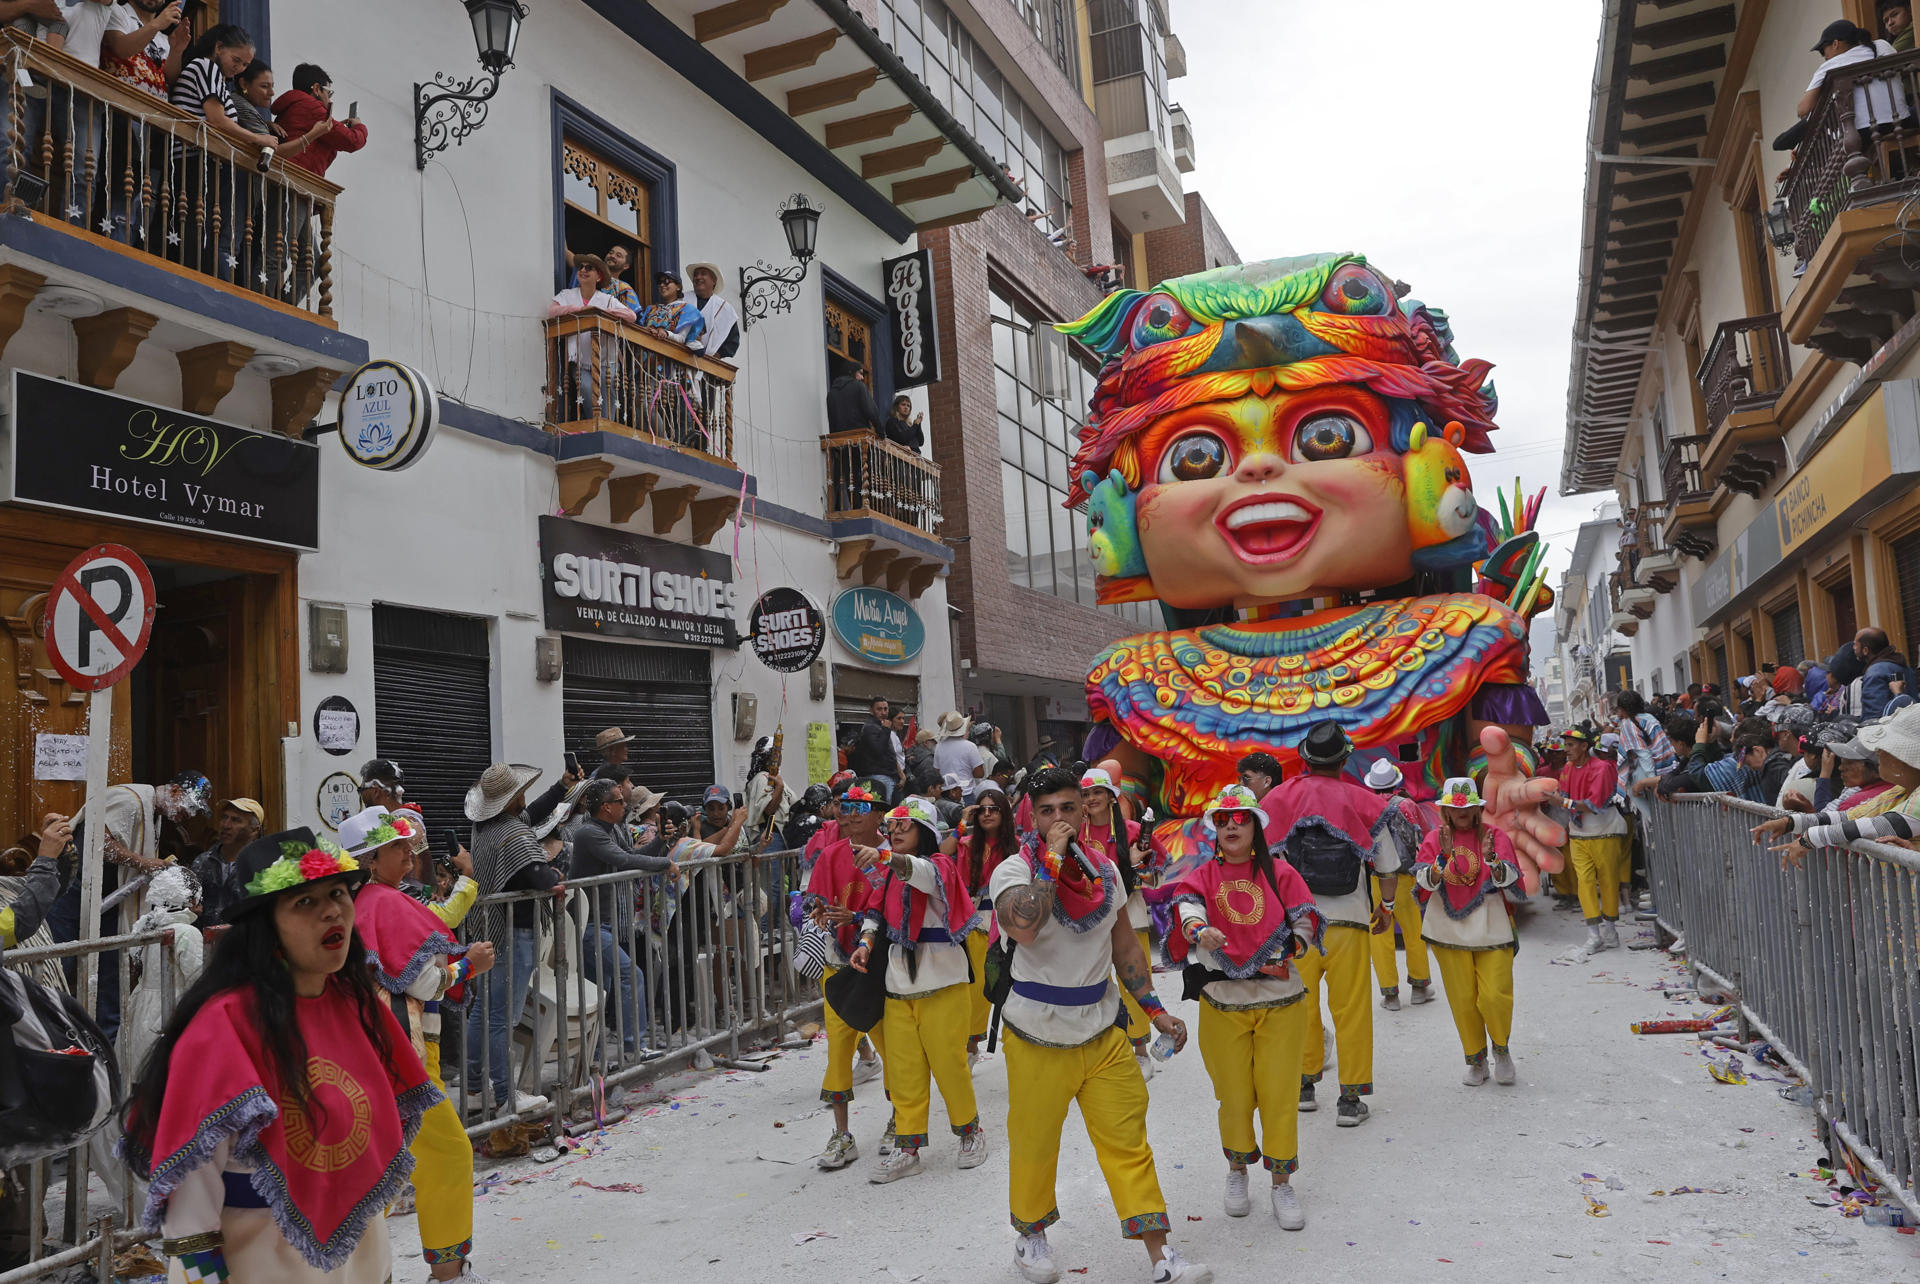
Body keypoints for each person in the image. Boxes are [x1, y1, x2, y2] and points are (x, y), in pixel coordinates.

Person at [122, 826, 436, 1283]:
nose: (332, 911)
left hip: (360, 1254)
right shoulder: (222, 1026)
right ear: (266, 925)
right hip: (260, 1260)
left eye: (337, 893)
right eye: (304, 902)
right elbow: (193, 1191)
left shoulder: (358, 1005)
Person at [989, 768, 1209, 1284]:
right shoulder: (1013, 871)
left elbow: (1125, 944)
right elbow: (1024, 924)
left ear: (1086, 810)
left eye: (1069, 807)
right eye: (1047, 811)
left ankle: (1161, 1258)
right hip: (1036, 1032)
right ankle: (1032, 1237)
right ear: (1033, 817)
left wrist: (1155, 1010)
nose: (1060, 819)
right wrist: (1051, 861)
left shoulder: (1107, 870)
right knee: (1035, 1142)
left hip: (1104, 1031)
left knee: (1128, 1143)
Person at [337, 808, 491, 1282]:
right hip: (401, 1054)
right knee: (446, 1153)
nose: (410, 851)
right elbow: (421, 980)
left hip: (372, 1052)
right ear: (370, 859)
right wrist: (469, 966)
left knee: (384, 1164)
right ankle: (447, 1272)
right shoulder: (382, 902)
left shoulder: (359, 903)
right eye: (397, 847)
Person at [1165, 785, 1323, 1231]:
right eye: (1223, 819)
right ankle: (1237, 1173)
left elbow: (1304, 921)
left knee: (1279, 1095)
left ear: (1256, 825)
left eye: (1241, 818)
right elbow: (1188, 908)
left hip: (1279, 1001)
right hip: (1223, 1002)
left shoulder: (1282, 873)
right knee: (1233, 1096)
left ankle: (1280, 1181)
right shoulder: (1201, 875)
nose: (1232, 825)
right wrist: (1199, 931)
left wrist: (1286, 948)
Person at [1257, 721, 1411, 1126]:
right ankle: (1350, 1099)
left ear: (1306, 757)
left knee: (1301, 1005)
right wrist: (1387, 907)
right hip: (1350, 920)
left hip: (1300, 923)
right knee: (1352, 1009)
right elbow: (1387, 866)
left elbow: (1266, 865)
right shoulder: (1362, 800)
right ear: (1344, 758)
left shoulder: (1280, 797)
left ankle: (1305, 1087)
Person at [847, 797, 984, 1183]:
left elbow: (920, 873)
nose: (894, 833)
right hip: (898, 988)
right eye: (892, 828)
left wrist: (884, 856)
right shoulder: (891, 871)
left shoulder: (938, 866)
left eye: (904, 827)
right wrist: (866, 943)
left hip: (943, 985)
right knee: (904, 1072)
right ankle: (908, 1148)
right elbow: (875, 911)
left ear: (924, 832)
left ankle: (970, 1133)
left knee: (950, 1067)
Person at [47, 770, 211, 1040]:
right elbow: (97, 842)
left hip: (112, 900)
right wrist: (144, 863)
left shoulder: (154, 814)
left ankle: (106, 1044)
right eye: (189, 806)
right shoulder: (129, 800)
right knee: (58, 969)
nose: (189, 815)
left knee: (113, 971)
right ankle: (50, 1040)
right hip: (73, 892)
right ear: (173, 791)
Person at [1413, 779, 1523, 1086]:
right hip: (1448, 930)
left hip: (1492, 927)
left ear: (1477, 809)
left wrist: (1492, 861)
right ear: (1445, 810)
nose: (1461, 813)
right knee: (1462, 999)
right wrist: (1442, 859)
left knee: (1494, 995)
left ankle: (1501, 1051)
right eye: (1454, 808)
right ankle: (1476, 1059)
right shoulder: (1435, 838)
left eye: (1468, 808)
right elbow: (1423, 882)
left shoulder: (1494, 835)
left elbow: (1510, 877)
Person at [465, 763, 561, 1118]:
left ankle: (475, 1087)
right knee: (503, 1015)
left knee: (484, 1011)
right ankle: (507, 1095)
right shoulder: (512, 833)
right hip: (512, 932)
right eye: (520, 793)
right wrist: (552, 872)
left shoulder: (485, 828)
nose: (525, 798)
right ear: (510, 800)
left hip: (490, 930)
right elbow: (541, 877)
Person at [804, 785, 890, 1169]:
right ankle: (841, 1135)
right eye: (846, 807)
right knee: (838, 1053)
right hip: (838, 964)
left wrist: (858, 921)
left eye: (861, 808)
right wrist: (815, 911)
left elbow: (898, 908)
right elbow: (812, 902)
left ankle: (899, 1120)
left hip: (882, 965)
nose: (851, 814)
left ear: (877, 815)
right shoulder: (830, 855)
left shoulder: (893, 855)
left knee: (894, 1049)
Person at [566, 780, 676, 1058]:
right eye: (619, 801)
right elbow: (624, 861)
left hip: (605, 924)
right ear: (606, 807)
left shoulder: (611, 829)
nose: (624, 805)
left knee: (597, 990)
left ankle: (595, 1056)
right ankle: (633, 1046)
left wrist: (662, 842)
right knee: (630, 975)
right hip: (588, 926)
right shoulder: (588, 833)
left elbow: (631, 856)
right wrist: (665, 864)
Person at [1754, 705, 1920, 863]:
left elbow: (1883, 824)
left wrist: (1811, 838)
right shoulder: (1899, 791)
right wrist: (1790, 822)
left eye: (1885, 749)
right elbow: (1849, 816)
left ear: (1903, 760)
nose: (1878, 752)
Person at [1080, 768, 1155, 1076]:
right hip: (1089, 916)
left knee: (1134, 976)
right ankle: (1109, 1043)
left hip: (1130, 913)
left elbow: (1156, 870)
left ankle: (1139, 1048)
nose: (1091, 799)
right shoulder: (1075, 832)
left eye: (1097, 792)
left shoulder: (1135, 829)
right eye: (1085, 794)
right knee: (1097, 981)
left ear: (1112, 796)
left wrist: (1138, 862)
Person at [1361, 760, 1434, 1009]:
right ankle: (1419, 988)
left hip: (1376, 880)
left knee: (1380, 936)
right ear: (1396, 782)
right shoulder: (1409, 806)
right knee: (1414, 934)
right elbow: (1425, 837)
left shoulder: (1366, 806)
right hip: (1405, 879)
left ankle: (1390, 995)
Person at [123, 865, 206, 1073]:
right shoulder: (187, 933)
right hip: (171, 1013)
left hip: (142, 1012)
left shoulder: (149, 930)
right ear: (192, 901)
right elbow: (198, 982)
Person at [1555, 728, 1631, 954]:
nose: (1566, 750)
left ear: (1584, 746)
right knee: (1584, 883)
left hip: (1605, 831)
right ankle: (1594, 935)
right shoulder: (1567, 769)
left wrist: (1562, 802)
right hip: (1578, 833)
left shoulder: (1602, 768)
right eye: (1566, 745)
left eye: (1570, 745)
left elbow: (1592, 805)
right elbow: (1563, 794)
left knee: (1608, 881)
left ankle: (1610, 929)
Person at [957, 784, 1014, 1057]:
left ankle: (1018, 1044)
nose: (987, 814)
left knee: (1016, 984)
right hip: (978, 922)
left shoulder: (1018, 846)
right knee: (977, 987)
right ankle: (970, 1047)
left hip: (1011, 920)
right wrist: (962, 821)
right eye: (982, 810)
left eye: (994, 809)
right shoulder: (967, 844)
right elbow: (943, 855)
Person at [269, 63, 369, 179]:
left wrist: (335, 127)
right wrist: (359, 126)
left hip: (283, 175)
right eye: (328, 92)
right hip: (295, 180)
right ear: (317, 89)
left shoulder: (294, 106)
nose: (329, 98)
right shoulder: (311, 106)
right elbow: (352, 141)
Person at [189, 797, 264, 925]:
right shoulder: (203, 862)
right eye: (224, 817)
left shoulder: (263, 865)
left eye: (235, 820)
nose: (226, 825)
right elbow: (189, 905)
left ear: (254, 830)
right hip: (205, 941)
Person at [101, 0, 187, 99]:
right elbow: (120, 48)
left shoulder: (164, 39)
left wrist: (176, 52)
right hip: (119, 105)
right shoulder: (116, 11)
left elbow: (170, 79)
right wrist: (157, 24)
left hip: (154, 112)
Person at [743, 735, 798, 850]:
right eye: (776, 754)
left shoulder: (774, 778)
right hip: (771, 837)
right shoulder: (762, 778)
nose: (779, 758)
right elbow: (768, 810)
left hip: (782, 836)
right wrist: (779, 787)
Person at [1850, 627, 1915, 720]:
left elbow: (1874, 717)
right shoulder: (1905, 667)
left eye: (1855, 644)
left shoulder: (1874, 673)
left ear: (1865, 650)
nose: (1853, 648)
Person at [685, 261, 740, 360]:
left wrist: (712, 358)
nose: (698, 277)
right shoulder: (682, 299)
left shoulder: (725, 309)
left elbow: (732, 343)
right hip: (678, 356)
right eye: (696, 275)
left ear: (713, 280)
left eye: (703, 273)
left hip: (706, 366)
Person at [849, 696, 900, 800]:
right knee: (884, 810)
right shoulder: (870, 727)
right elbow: (878, 751)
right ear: (871, 711)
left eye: (885, 709)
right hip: (879, 776)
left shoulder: (880, 726)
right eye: (879, 709)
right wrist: (886, 730)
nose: (883, 712)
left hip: (887, 775)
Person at [568, 244, 643, 315]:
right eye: (611, 253)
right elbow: (566, 252)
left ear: (626, 266)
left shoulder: (625, 289)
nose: (612, 256)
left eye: (618, 255)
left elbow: (633, 317)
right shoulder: (586, 273)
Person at [638, 268, 707, 344]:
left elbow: (683, 338)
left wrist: (667, 334)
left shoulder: (687, 310)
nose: (662, 285)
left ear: (678, 287)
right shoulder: (651, 309)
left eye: (667, 282)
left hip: (668, 354)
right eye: (660, 282)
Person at [933, 712, 986, 797]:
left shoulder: (938, 747)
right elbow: (980, 773)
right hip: (966, 792)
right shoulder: (970, 746)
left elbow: (937, 771)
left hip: (946, 793)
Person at [827, 357, 885, 434]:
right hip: (860, 438)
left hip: (840, 441)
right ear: (851, 372)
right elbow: (871, 411)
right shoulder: (859, 386)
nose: (862, 377)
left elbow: (831, 422)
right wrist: (880, 431)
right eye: (860, 373)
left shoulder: (831, 393)